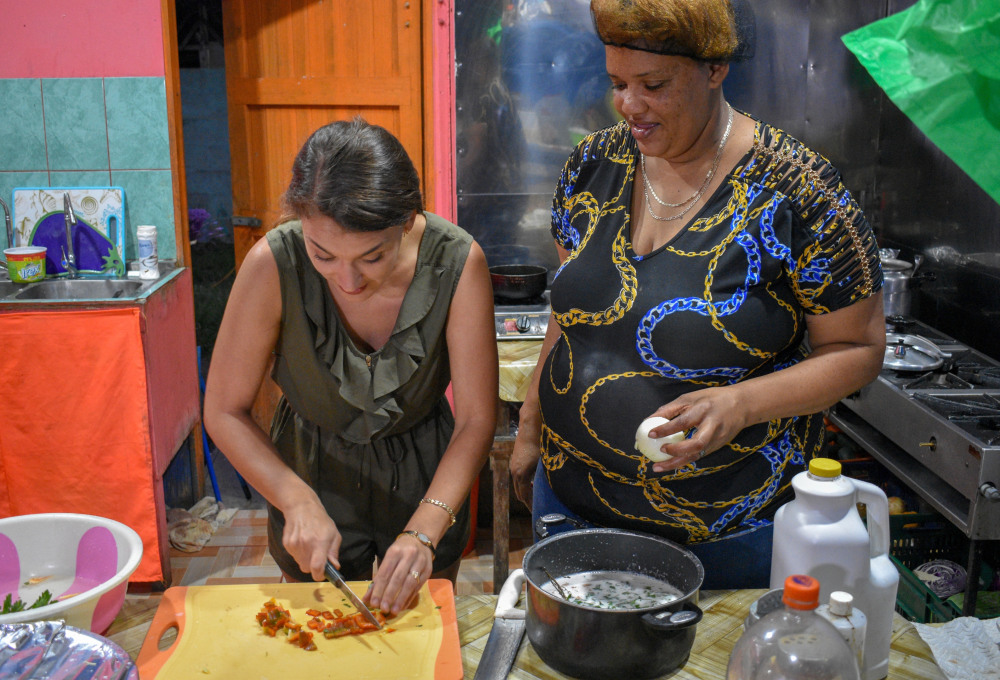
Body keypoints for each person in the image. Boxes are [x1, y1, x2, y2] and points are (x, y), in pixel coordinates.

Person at [509, 0, 885, 589]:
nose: (630, 104)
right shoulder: (592, 165)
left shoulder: (797, 191)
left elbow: (858, 350)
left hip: (725, 531)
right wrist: (530, 425)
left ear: (715, 69)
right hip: (570, 506)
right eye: (617, 83)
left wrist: (741, 404)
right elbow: (572, 314)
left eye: (652, 84)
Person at [204, 117, 498, 614]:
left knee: (421, 632)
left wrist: (427, 527)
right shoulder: (271, 265)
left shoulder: (458, 261)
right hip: (310, 469)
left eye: (372, 256)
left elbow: (475, 419)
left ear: (407, 220)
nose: (348, 280)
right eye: (323, 255)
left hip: (429, 476)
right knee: (319, 636)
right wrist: (293, 498)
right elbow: (224, 411)